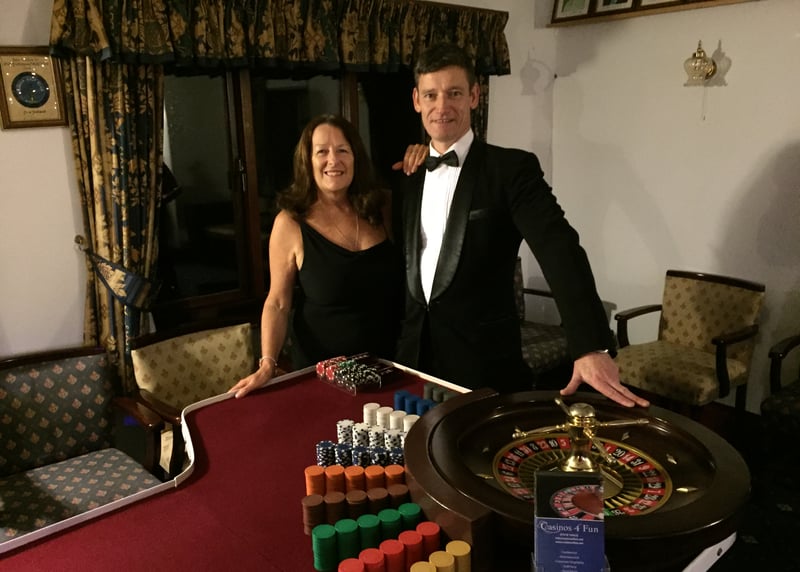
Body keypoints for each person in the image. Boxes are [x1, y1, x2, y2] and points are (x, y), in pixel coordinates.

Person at [392, 43, 648, 408]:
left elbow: (558, 247)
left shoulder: (511, 170)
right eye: (431, 95)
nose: (442, 106)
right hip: (413, 363)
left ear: (474, 96)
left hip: (482, 366)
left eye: (454, 93)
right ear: (417, 100)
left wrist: (589, 344)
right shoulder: (408, 175)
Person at [230, 114, 404, 398]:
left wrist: (424, 156)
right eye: (322, 151)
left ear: (356, 158)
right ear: (307, 162)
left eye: (342, 150)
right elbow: (278, 302)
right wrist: (267, 364)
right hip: (323, 374)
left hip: (389, 367)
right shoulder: (290, 223)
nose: (333, 160)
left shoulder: (382, 206)